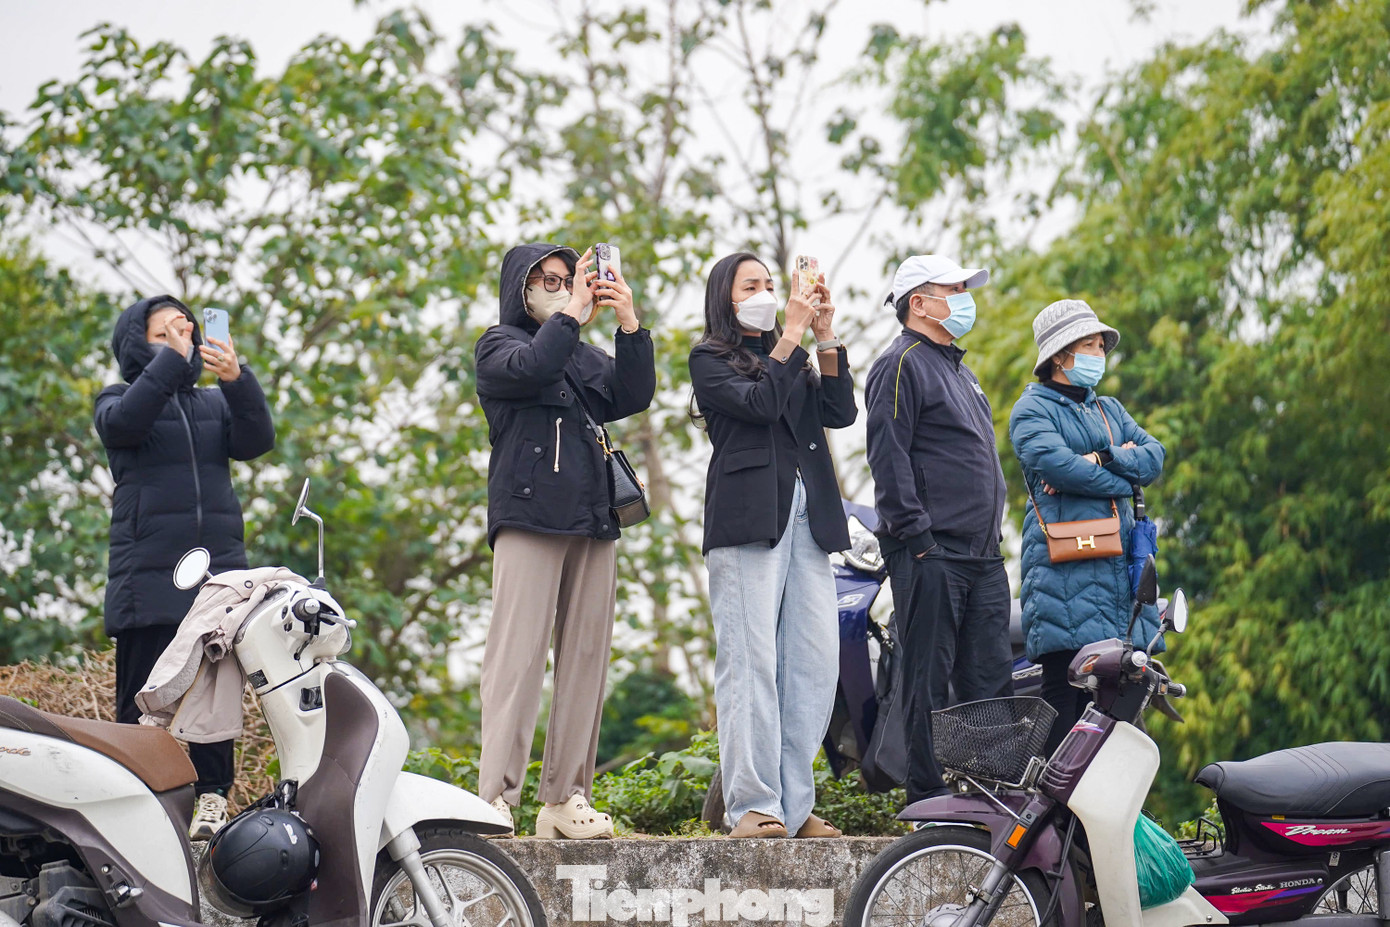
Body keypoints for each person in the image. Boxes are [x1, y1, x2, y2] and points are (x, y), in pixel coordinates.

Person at [474, 242, 655, 839]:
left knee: (585, 662)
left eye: (567, 277)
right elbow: (532, 369)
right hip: (528, 518)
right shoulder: (501, 345)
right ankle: (495, 798)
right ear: (518, 288)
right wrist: (572, 313)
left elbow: (632, 394)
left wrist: (629, 322)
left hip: (592, 519)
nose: (557, 286)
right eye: (545, 279)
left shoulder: (579, 351)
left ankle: (565, 799)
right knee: (516, 660)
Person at [689, 252, 857, 839]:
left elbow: (840, 411)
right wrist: (788, 335)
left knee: (812, 666)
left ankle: (793, 804)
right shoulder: (709, 359)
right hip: (746, 523)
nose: (765, 292)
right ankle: (752, 805)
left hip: (811, 522)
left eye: (770, 283)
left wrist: (825, 335)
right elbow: (759, 405)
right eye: (751, 285)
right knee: (749, 663)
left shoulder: (792, 358)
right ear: (725, 299)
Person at [96, 295, 276, 839]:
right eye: (164, 333)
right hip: (147, 577)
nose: (182, 339)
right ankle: (138, 801)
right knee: (143, 697)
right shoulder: (118, 399)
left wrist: (237, 379)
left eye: (187, 330)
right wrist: (172, 361)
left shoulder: (213, 404)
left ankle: (212, 799)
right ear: (136, 344)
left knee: (214, 688)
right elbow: (125, 425)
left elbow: (256, 440)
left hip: (215, 577)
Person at [864, 253, 1013, 804]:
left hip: (982, 554)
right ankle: (926, 799)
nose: (964, 297)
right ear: (919, 303)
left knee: (991, 677)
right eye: (953, 288)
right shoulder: (899, 362)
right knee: (927, 678)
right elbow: (888, 455)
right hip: (932, 552)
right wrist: (917, 539)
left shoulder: (960, 369)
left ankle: (991, 795)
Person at [1009, 299, 1165, 753]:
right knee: (1067, 696)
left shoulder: (1110, 409)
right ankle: (1054, 813)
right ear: (1060, 355)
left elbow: (1154, 457)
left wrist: (1104, 457)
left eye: (1101, 345)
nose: (1099, 353)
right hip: (1065, 575)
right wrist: (1122, 472)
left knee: (1127, 705)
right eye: (1089, 345)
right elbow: (1060, 469)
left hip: (1120, 574)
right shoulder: (1032, 409)